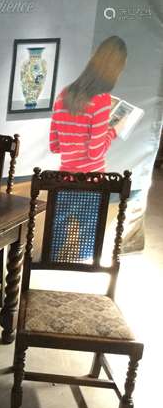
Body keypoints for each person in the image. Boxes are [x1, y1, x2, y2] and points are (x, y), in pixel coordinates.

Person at [48, 36, 128, 262]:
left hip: (63, 180)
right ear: (116, 69)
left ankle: (52, 274)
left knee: (55, 244)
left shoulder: (64, 94)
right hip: (91, 184)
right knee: (87, 248)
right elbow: (95, 153)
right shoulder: (101, 100)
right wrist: (114, 129)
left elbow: (54, 146)